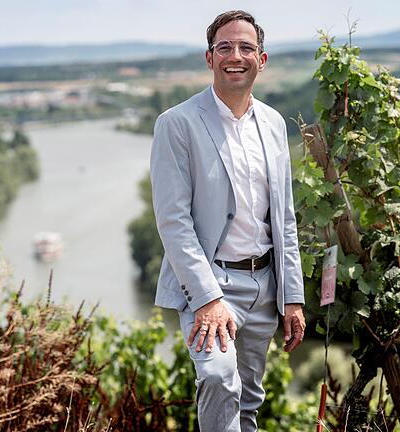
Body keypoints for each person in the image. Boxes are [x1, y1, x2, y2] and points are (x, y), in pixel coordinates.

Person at [149, 10, 306, 432]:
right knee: (218, 378)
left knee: (249, 401)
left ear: (262, 59)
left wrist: (292, 295)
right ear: (209, 57)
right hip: (212, 284)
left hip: (266, 286)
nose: (235, 56)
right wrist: (207, 298)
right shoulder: (177, 124)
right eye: (225, 47)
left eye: (246, 47)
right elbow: (173, 221)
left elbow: (284, 217)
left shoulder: (273, 124)